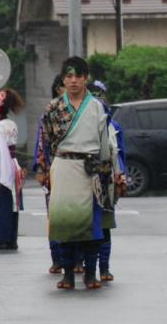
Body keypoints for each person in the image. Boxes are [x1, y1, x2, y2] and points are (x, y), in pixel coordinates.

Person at [40, 56, 113, 290]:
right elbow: (45, 141)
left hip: (89, 169)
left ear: (85, 79)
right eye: (69, 76)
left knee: (91, 225)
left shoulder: (97, 107)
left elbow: (104, 142)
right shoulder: (53, 108)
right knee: (65, 223)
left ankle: (90, 274)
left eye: (78, 76)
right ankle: (68, 274)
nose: (73, 81)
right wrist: (44, 170)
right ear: (63, 79)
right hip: (63, 166)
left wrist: (106, 170)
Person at [87, 81, 126, 283]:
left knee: (105, 225)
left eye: (100, 97)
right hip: (85, 179)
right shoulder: (83, 125)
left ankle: (104, 268)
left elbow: (120, 154)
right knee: (85, 225)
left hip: (107, 181)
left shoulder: (114, 127)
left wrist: (121, 175)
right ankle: (85, 267)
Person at [35, 74, 66, 275]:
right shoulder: (50, 111)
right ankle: (57, 258)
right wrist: (41, 168)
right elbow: (42, 143)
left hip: (78, 169)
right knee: (54, 215)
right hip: (54, 168)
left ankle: (78, 259)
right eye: (64, 84)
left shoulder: (86, 108)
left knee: (77, 214)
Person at [0, 88, 24, 251]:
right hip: (13, 164)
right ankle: (11, 239)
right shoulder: (12, 124)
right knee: (13, 203)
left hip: (2, 167)